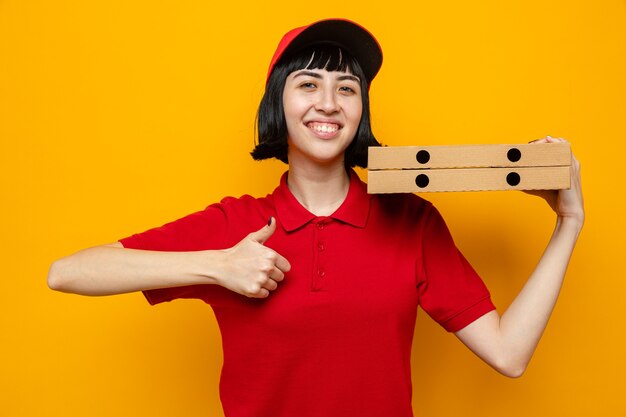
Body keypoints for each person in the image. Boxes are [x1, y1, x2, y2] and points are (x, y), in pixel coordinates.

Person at [48, 18, 585, 417]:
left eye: (346, 89)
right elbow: (68, 272)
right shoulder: (239, 225)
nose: (328, 102)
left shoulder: (410, 221)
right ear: (279, 104)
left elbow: (510, 354)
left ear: (360, 112)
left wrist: (569, 224)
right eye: (308, 84)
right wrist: (218, 266)